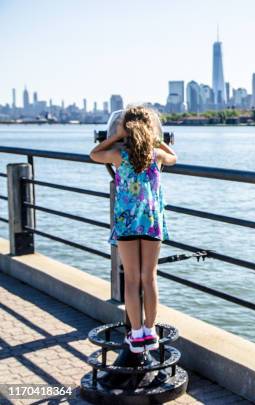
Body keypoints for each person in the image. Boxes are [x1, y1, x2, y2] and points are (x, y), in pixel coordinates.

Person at [89, 105, 177, 353]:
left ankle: (136, 335)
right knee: (149, 278)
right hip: (150, 222)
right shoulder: (157, 155)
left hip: (127, 223)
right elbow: (175, 157)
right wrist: (158, 140)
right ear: (150, 128)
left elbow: (94, 154)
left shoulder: (118, 154)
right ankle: (150, 332)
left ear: (125, 127)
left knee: (131, 280)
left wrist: (115, 137)